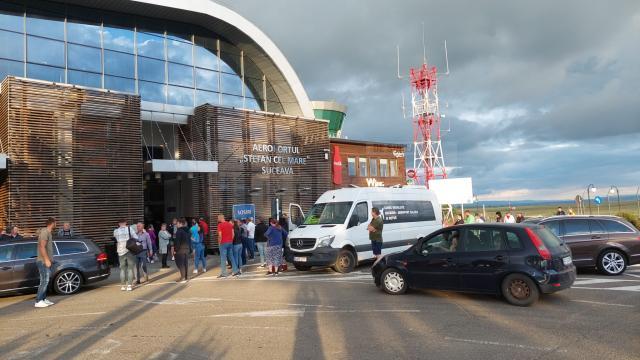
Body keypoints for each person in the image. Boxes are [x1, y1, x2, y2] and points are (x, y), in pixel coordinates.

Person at [35, 218, 56, 308]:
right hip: (43, 261)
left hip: (45, 261)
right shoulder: (45, 232)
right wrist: (47, 260)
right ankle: (38, 301)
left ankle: (43, 299)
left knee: (45, 280)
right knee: (44, 280)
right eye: (56, 222)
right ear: (52, 223)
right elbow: (42, 247)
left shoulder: (48, 232)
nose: (56, 224)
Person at [114, 219, 136, 291]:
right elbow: (136, 237)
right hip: (129, 250)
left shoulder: (116, 231)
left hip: (120, 251)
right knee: (130, 268)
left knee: (122, 269)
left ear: (119, 224)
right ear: (126, 223)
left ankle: (123, 286)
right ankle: (129, 286)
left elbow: (116, 239)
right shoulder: (130, 229)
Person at [173, 218, 190, 283]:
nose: (176, 224)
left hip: (180, 250)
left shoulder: (179, 231)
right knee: (185, 263)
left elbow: (178, 242)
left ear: (180, 224)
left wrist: (175, 250)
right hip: (186, 249)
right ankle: (186, 276)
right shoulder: (187, 231)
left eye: (177, 223)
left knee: (180, 264)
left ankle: (183, 277)